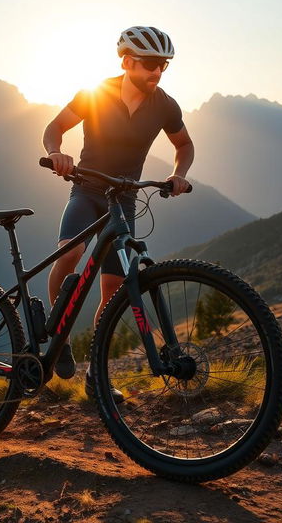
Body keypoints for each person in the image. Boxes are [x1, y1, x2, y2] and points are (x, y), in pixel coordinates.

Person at [42, 25, 194, 403]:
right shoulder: (95, 93)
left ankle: (96, 376)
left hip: (124, 200)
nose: (158, 72)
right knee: (70, 255)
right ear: (127, 62)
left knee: (112, 292)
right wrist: (57, 151)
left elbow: (185, 144)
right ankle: (56, 334)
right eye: (150, 64)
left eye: (164, 66)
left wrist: (179, 174)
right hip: (87, 188)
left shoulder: (165, 105)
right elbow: (54, 128)